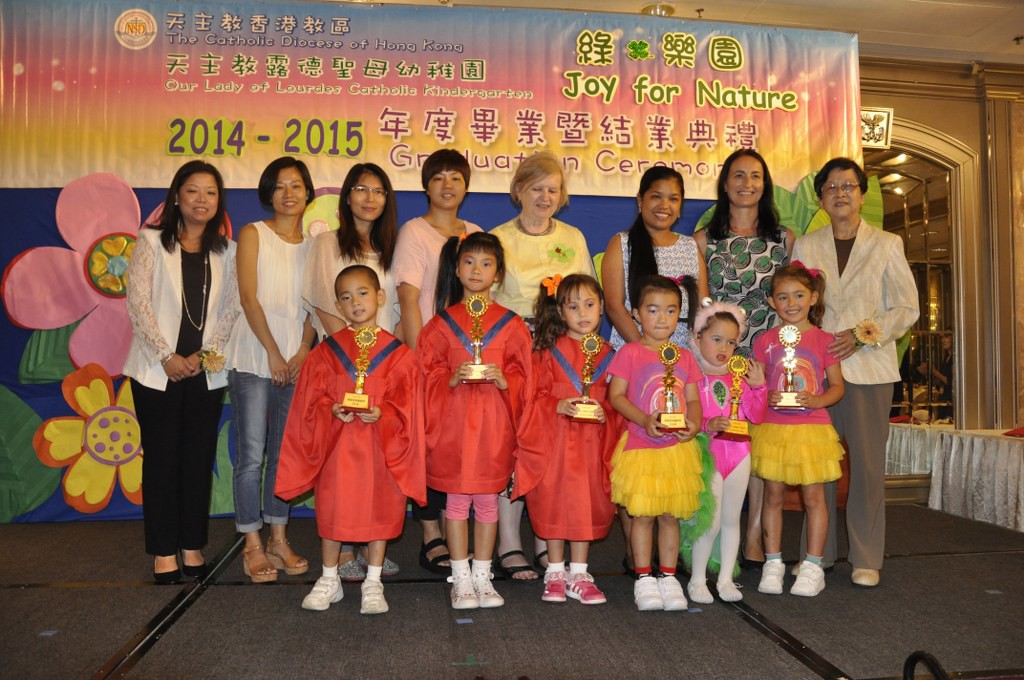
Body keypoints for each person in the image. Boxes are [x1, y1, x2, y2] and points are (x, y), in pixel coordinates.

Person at [791, 157, 919, 588]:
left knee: (866, 468)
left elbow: (906, 307)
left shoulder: (887, 244)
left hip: (870, 371)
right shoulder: (806, 246)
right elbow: (795, 303)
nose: (840, 193)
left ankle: (866, 557)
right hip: (816, 374)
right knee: (818, 466)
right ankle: (817, 554)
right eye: (831, 187)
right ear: (821, 199)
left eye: (848, 186)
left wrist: (865, 335)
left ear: (862, 195)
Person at [274, 265, 426, 614]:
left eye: (363, 293)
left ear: (380, 297)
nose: (355, 302)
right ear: (338, 307)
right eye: (346, 297)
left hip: (380, 449)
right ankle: (330, 578)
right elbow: (311, 401)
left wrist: (383, 413)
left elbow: (408, 406)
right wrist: (331, 408)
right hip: (338, 449)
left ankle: (373, 581)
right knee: (333, 509)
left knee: (381, 509)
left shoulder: (399, 354)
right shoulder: (326, 353)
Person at [124, 160, 240, 583]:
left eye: (210, 192)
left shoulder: (227, 251)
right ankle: (162, 550)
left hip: (204, 372)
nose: (201, 200)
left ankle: (192, 545)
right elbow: (138, 302)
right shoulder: (152, 241)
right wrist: (166, 356)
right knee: (161, 459)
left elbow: (232, 309)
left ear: (218, 201)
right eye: (193, 190)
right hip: (156, 372)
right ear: (177, 196)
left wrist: (203, 356)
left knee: (196, 458)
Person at [490, 151, 596, 580]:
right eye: (536, 188)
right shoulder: (498, 239)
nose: (545, 197)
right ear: (518, 190)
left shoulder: (573, 237)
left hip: (561, 353)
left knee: (551, 445)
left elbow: (587, 294)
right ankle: (508, 542)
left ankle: (545, 537)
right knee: (515, 443)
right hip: (513, 351)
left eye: (553, 189)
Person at [601, 166, 709, 576]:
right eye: (657, 196)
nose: (665, 205)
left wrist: (685, 357)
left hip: (681, 367)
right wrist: (647, 353)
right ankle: (637, 553)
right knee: (637, 463)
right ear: (640, 201)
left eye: (673, 198)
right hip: (634, 364)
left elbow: (702, 307)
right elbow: (615, 305)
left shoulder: (689, 247)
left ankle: (667, 554)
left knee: (672, 459)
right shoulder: (622, 243)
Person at [417, 232, 532, 609]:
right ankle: (461, 577)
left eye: (486, 263)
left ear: (498, 273)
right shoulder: (441, 324)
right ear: (456, 268)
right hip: (454, 427)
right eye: (468, 262)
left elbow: (526, 377)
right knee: (455, 503)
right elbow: (426, 373)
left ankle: (483, 575)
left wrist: (505, 379)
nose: (476, 270)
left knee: (487, 502)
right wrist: (449, 378)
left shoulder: (512, 325)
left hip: (493, 427)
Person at [693, 149, 794, 568]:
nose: (746, 184)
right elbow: (701, 303)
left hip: (764, 353)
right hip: (719, 354)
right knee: (720, 440)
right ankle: (711, 535)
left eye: (755, 176)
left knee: (757, 443)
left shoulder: (785, 239)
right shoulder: (704, 239)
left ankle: (752, 535)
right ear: (725, 183)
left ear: (764, 184)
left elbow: (791, 299)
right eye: (738, 175)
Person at [303, 162, 401, 580]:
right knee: (343, 463)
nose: (369, 198)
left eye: (378, 191)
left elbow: (396, 310)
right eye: (361, 189)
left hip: (384, 367)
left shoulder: (392, 247)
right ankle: (342, 550)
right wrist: (351, 355)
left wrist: (388, 359)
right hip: (344, 366)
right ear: (346, 197)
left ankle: (369, 545)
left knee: (375, 462)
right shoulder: (327, 243)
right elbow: (324, 303)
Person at [223, 157, 315, 584]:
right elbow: (248, 297)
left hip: (294, 361)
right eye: (279, 186)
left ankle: (279, 539)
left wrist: (302, 351)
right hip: (254, 355)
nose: (288, 193)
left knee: (282, 455)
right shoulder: (252, 234)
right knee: (251, 455)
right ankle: (252, 545)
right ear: (268, 193)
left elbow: (316, 307)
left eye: (295, 185)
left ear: (307, 192)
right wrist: (275, 353)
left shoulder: (315, 246)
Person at [393, 149, 481, 576]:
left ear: (466, 187)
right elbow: (409, 299)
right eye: (439, 178)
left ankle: (455, 528)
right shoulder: (414, 231)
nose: (448, 185)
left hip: (466, 360)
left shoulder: (476, 233)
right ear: (426, 186)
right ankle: (431, 535)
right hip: (428, 360)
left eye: (456, 178)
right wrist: (419, 359)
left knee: (456, 447)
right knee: (426, 447)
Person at [513, 274, 619, 605]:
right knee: (554, 502)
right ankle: (555, 571)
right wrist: (555, 405)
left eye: (589, 304)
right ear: (560, 311)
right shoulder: (546, 352)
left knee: (586, 502)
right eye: (573, 307)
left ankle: (580, 574)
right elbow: (530, 399)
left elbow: (618, 401)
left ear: (602, 308)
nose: (582, 313)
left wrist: (605, 412)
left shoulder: (610, 354)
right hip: (555, 442)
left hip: (592, 444)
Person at [607, 275, 705, 612]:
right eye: (653, 310)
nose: (662, 318)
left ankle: (668, 576)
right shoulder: (629, 352)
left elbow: (693, 400)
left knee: (669, 516)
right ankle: (644, 577)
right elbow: (616, 396)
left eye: (670, 310)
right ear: (636, 313)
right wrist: (644, 419)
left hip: (676, 452)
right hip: (641, 449)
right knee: (643, 516)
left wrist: (694, 424)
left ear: (679, 313)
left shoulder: (684, 357)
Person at [752, 263, 846, 597]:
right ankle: (773, 563)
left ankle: (812, 566)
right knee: (772, 496)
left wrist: (817, 400)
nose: (791, 303)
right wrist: (763, 391)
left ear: (813, 298)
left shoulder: (825, 340)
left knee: (814, 498)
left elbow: (838, 387)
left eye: (798, 295)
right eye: (782, 297)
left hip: (811, 430)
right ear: (771, 302)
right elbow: (757, 385)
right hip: (774, 429)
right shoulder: (764, 341)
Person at [684, 301, 767, 604]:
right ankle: (697, 580)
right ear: (698, 337)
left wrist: (759, 387)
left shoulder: (740, 376)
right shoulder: (691, 376)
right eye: (716, 339)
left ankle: (725, 578)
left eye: (731, 342)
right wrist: (707, 424)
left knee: (732, 519)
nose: (724, 348)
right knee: (711, 520)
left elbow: (756, 415)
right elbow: (685, 415)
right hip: (710, 454)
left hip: (740, 453)